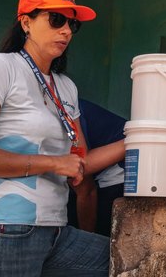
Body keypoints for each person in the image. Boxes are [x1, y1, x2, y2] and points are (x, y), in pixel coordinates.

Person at [0, 0, 123, 277]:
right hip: (6, 229)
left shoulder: (66, 86)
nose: (67, 30)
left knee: (125, 262)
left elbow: (79, 164)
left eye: (72, 24)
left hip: (55, 230)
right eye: (56, 19)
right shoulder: (0, 67)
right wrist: (53, 163)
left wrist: (138, 138)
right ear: (26, 22)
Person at [68, 99, 125, 236]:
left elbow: (86, 191)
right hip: (95, 175)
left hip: (123, 172)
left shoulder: (61, 114)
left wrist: (86, 243)